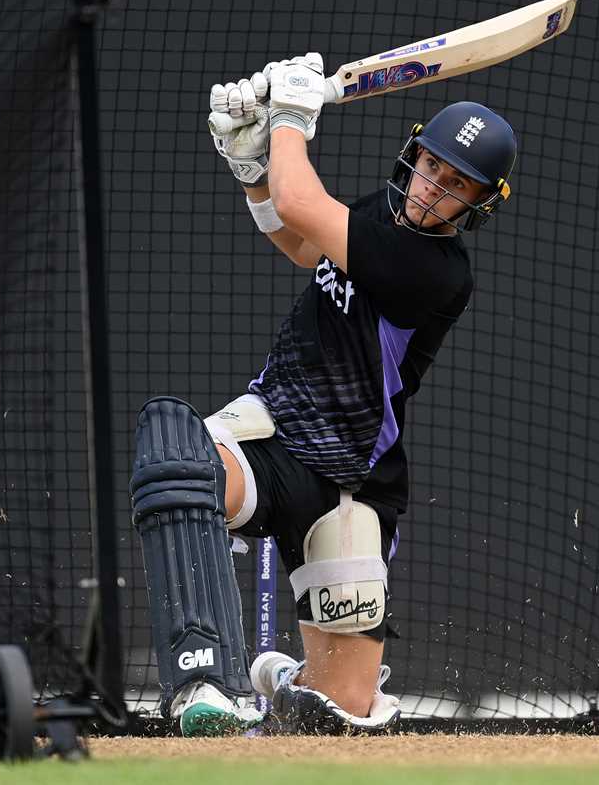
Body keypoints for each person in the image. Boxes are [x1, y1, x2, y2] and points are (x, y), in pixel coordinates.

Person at [128, 53, 518, 736]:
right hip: (275, 431)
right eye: (431, 166)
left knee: (336, 717)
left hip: (351, 486)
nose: (433, 189)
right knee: (176, 451)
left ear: (477, 205)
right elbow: (304, 242)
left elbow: (305, 201)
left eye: (456, 184)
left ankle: (289, 683)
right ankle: (205, 682)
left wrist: (289, 119)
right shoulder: (378, 215)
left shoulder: (434, 269)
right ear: (413, 155)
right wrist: (254, 171)